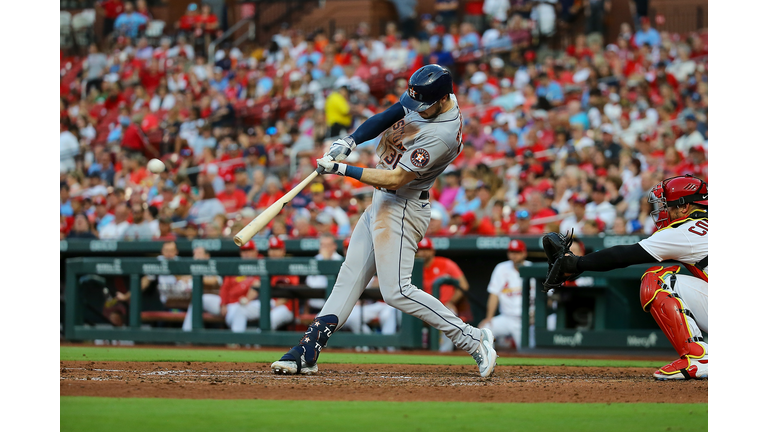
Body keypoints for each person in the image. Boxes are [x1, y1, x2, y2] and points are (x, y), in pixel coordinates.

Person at [271, 64, 497, 377]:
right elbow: (390, 114)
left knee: (397, 291)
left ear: (444, 99)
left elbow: (395, 179)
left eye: (424, 105)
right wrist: (351, 141)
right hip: (383, 203)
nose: (416, 108)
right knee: (349, 276)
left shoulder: (442, 134)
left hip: (403, 206)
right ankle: (308, 349)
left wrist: (343, 170)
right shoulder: (428, 97)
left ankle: (472, 338)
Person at [549, 175, 708, 380]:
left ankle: (699, 357)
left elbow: (622, 256)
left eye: (668, 205)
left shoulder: (684, 230)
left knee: (657, 280)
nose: (664, 211)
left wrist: (576, 263)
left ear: (684, 207)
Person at [416, 237, 472, 352]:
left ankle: (445, 353)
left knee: (448, 315)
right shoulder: (414, 267)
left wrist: (451, 301)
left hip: (444, 305)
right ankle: (402, 350)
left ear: (433, 251)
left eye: (427, 249)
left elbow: (464, 285)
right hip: (422, 307)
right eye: (421, 249)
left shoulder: (446, 263)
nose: (424, 253)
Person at [480, 240, 534, 350]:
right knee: (484, 331)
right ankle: (488, 362)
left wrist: (535, 316)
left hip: (528, 320)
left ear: (524, 253)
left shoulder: (532, 268)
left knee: (531, 352)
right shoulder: (501, 268)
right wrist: (489, 317)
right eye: (512, 252)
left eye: (518, 252)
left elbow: (546, 296)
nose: (514, 255)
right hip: (507, 318)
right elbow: (494, 294)